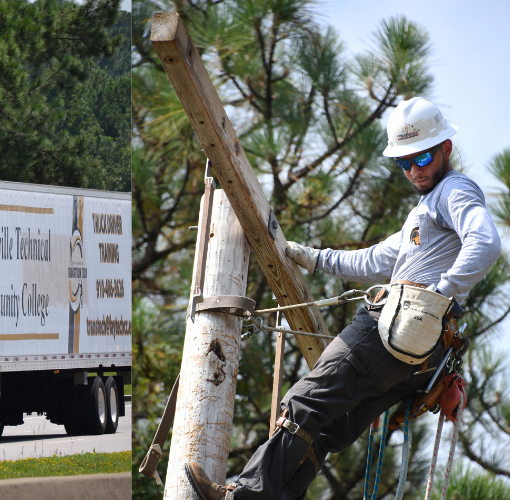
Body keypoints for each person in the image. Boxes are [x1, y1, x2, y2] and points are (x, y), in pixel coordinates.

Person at [184, 97, 502, 500]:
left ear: (446, 149)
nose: (414, 170)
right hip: (421, 355)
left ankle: (245, 495)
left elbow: (486, 242)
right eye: (403, 163)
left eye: (422, 157)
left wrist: (439, 293)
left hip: (397, 328)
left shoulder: (454, 190)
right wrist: (314, 258)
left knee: (306, 402)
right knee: (330, 429)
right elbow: (375, 260)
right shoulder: (426, 211)